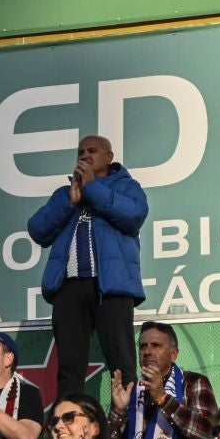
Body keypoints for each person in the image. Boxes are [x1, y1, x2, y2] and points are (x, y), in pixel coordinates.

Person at [27, 136, 147, 403]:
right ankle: (69, 424)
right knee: (69, 368)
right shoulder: (66, 193)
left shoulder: (127, 187)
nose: (85, 155)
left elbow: (134, 215)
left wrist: (93, 189)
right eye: (81, 151)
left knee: (121, 363)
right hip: (70, 286)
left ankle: (128, 428)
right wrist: (69, 203)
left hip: (112, 288)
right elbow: (38, 229)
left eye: (93, 151)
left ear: (109, 157)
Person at [106, 320, 217, 439]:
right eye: (143, 346)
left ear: (174, 354)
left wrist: (163, 398)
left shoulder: (193, 382)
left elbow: (208, 432)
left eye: (156, 346)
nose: (147, 351)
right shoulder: (133, 390)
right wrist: (118, 412)